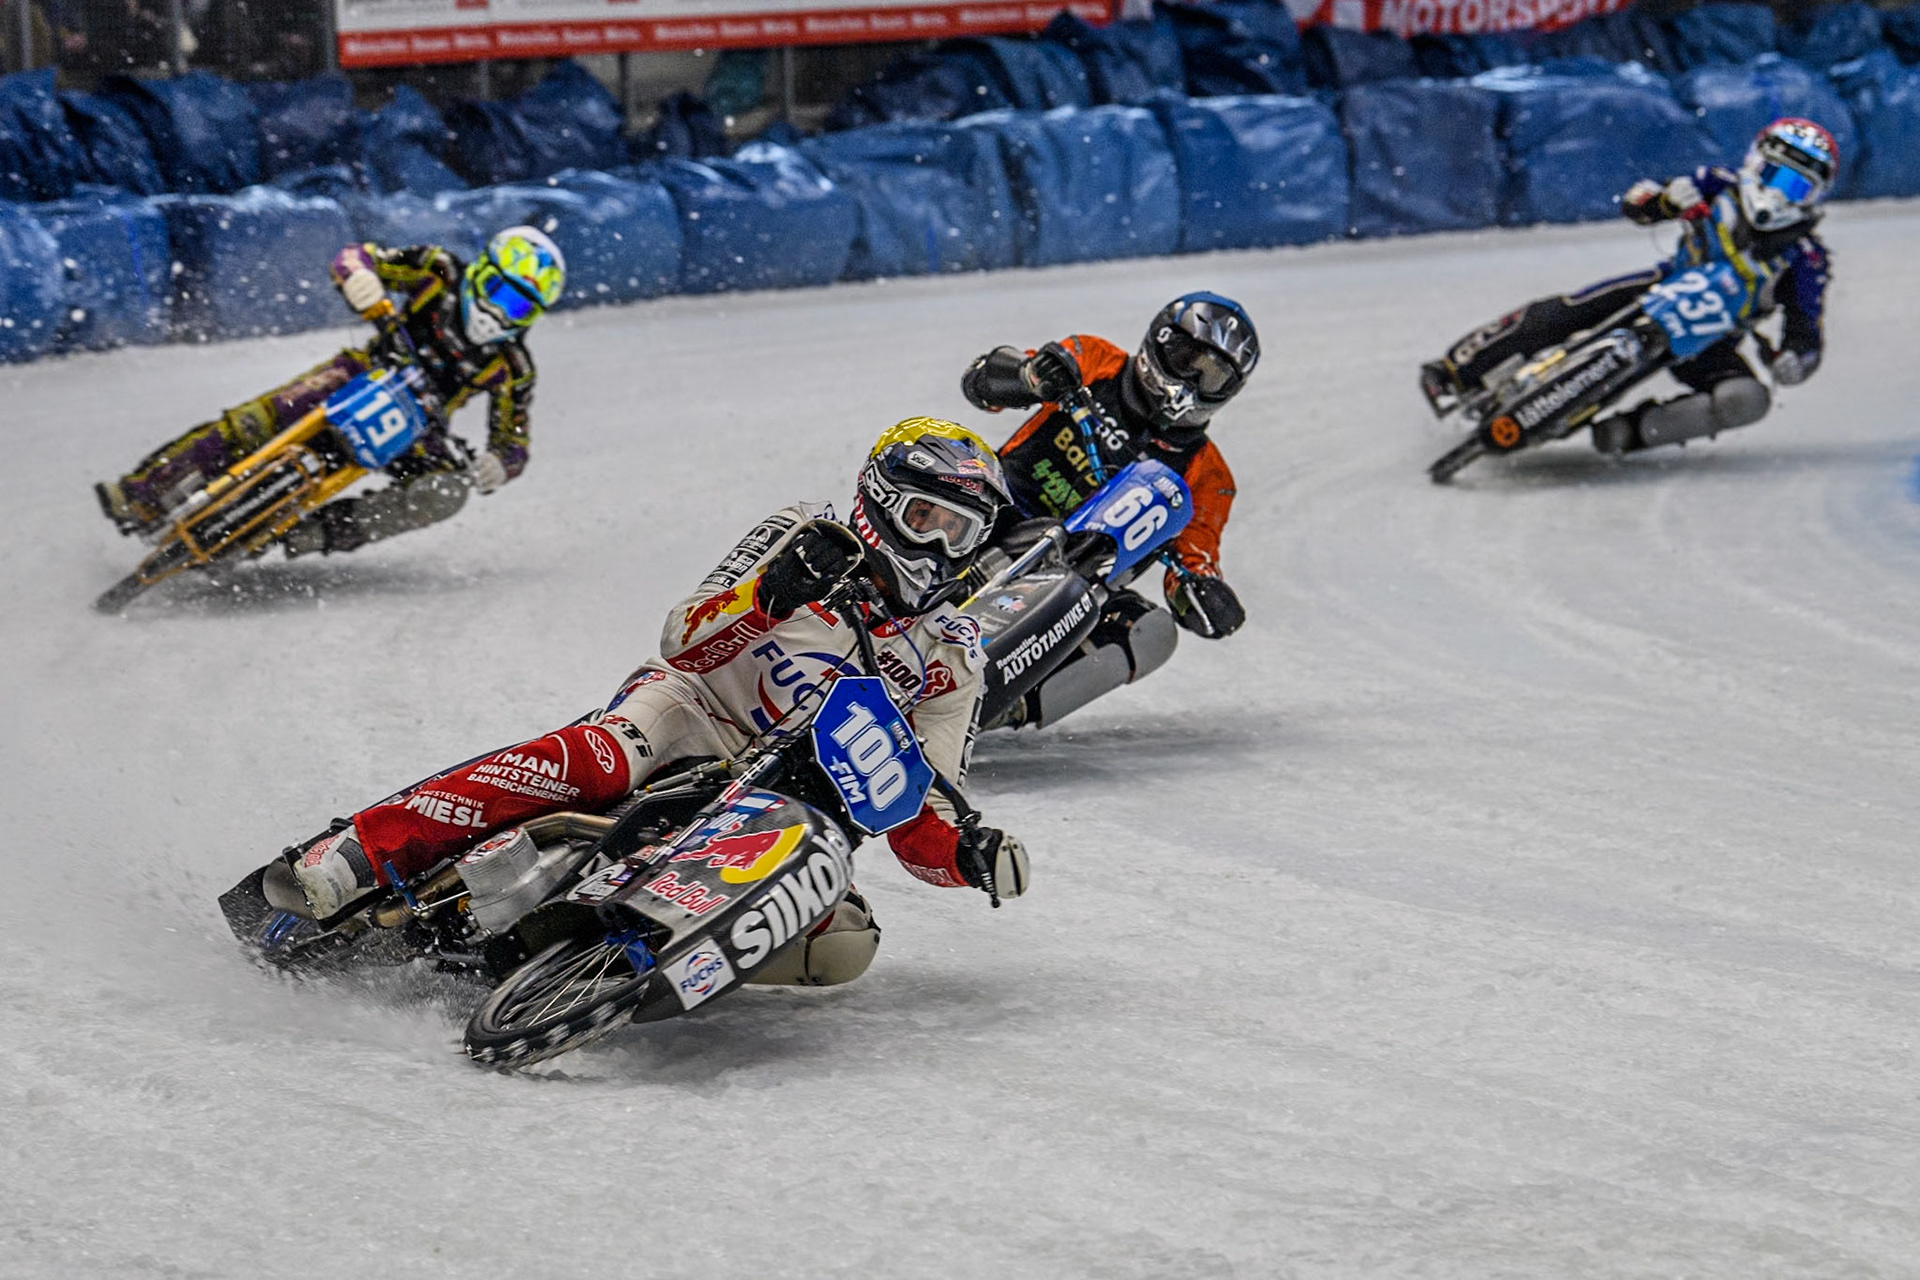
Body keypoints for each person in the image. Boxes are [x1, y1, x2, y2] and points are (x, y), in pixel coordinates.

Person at [284, 418, 1030, 987]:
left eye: (960, 532)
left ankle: (603, 972)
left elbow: (917, 808)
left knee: (842, 944)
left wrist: (968, 856)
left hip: (786, 802)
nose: (939, 546)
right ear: (882, 504)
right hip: (692, 710)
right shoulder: (804, 533)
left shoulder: (951, 656)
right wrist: (770, 595)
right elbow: (683, 637)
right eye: (925, 519)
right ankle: (360, 851)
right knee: (599, 760)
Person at [95, 226, 565, 557]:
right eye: (498, 293)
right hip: (364, 372)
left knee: (445, 491)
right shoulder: (437, 270)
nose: (500, 314)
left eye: (519, 307)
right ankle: (143, 493)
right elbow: (356, 256)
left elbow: (514, 442)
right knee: (258, 420)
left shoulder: (513, 368)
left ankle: (312, 534)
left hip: (422, 425)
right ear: (480, 272)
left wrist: (497, 466)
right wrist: (360, 278)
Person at [1421, 118, 1835, 456]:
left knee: (1745, 398)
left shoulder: (1805, 258)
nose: (1780, 195)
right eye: (1774, 177)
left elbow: (1807, 330)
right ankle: (1459, 369)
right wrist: (1666, 200)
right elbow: (1638, 204)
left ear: (1814, 196)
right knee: (1570, 310)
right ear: (1754, 164)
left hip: (1714, 337)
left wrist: (1795, 360)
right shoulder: (1716, 184)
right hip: (1661, 286)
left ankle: (1631, 432)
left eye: (1796, 187)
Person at [959, 292, 1259, 725]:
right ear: (1159, 342)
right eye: (1186, 357)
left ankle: (1000, 706)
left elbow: (1196, 563)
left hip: (1072, 592)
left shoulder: (1209, 477)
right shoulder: (1097, 359)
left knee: (1148, 632)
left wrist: (1203, 595)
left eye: (1212, 375)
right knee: (951, 466)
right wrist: (1031, 376)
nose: (1192, 379)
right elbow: (982, 385)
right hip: (994, 514)